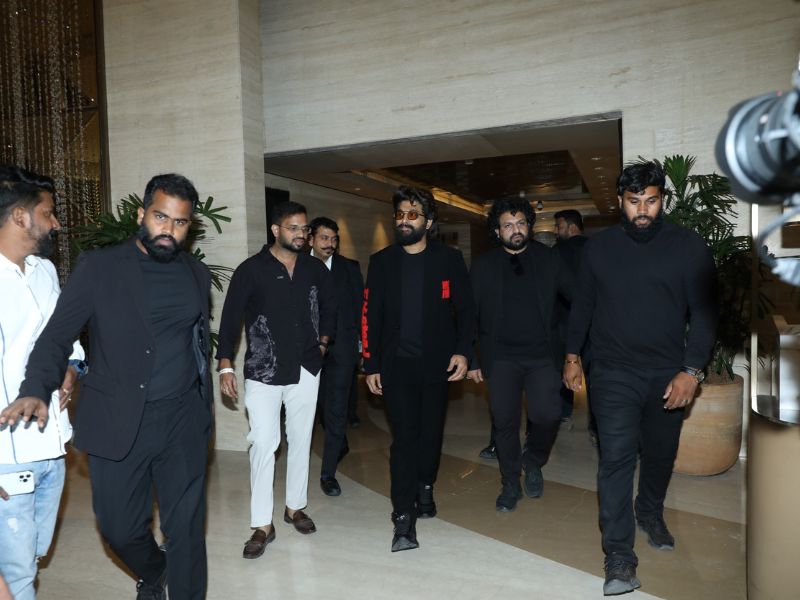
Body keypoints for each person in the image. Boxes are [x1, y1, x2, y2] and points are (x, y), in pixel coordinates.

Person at [3, 173, 213, 600]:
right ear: (141, 214)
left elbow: (195, 342)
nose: (168, 230)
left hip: (182, 418)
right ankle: (155, 570)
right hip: (119, 418)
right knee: (119, 527)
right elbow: (56, 337)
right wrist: (34, 388)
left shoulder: (196, 273)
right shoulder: (99, 267)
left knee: (187, 529)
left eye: (179, 222)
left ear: (188, 226)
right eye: (160, 217)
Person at [563, 161, 716, 596]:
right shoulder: (599, 249)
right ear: (620, 202)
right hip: (612, 371)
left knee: (661, 454)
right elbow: (583, 305)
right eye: (634, 202)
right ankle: (619, 556)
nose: (643, 210)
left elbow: (705, 313)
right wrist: (572, 356)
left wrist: (691, 371)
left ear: (662, 200)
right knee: (615, 459)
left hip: (668, 374)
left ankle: (649, 511)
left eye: (651, 201)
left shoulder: (688, 247)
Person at [216, 201, 336, 560]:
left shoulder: (315, 268)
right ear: (275, 230)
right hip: (264, 371)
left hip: (306, 368)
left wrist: (323, 342)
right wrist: (225, 364)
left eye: (304, 229)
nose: (301, 234)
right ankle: (261, 525)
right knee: (264, 442)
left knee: (301, 440)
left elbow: (330, 307)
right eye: (293, 228)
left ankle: (295, 507)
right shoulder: (251, 270)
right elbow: (230, 317)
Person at [362, 186, 475, 552]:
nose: (404, 221)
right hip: (396, 367)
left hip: (436, 366)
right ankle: (403, 518)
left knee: (430, 434)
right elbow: (370, 315)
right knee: (405, 440)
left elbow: (467, 310)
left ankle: (426, 485)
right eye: (400, 214)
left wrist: (463, 352)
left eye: (412, 215)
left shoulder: (448, 259)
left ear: (428, 222)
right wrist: (370, 364)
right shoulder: (382, 262)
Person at [0, 166, 85, 600]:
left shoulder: (45, 271)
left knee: (31, 558)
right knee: (15, 574)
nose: (56, 223)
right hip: (6, 456)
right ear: (20, 216)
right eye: (48, 213)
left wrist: (72, 366)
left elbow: (64, 336)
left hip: (53, 444)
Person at [467, 198, 572, 512]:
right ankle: (510, 482)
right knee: (504, 422)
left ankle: (534, 459)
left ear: (529, 226)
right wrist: (472, 359)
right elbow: (470, 315)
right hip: (501, 358)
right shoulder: (483, 266)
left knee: (548, 415)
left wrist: (574, 351)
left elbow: (579, 297)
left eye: (521, 223)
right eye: (508, 225)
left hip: (543, 357)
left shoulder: (549, 259)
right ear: (497, 231)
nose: (516, 230)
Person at [308, 217, 364, 497]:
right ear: (311, 239)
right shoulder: (297, 266)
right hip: (308, 351)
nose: (330, 244)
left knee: (337, 408)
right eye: (324, 238)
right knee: (319, 406)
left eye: (334, 239)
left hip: (342, 349)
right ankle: (338, 440)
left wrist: (362, 347)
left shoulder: (349, 268)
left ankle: (328, 473)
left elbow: (360, 308)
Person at [552, 209, 594, 440]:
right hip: (594, 323)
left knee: (566, 371)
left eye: (559, 226)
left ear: (572, 227)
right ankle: (595, 427)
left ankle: (564, 416)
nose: (556, 231)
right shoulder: (596, 249)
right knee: (595, 375)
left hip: (564, 323)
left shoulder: (556, 252)